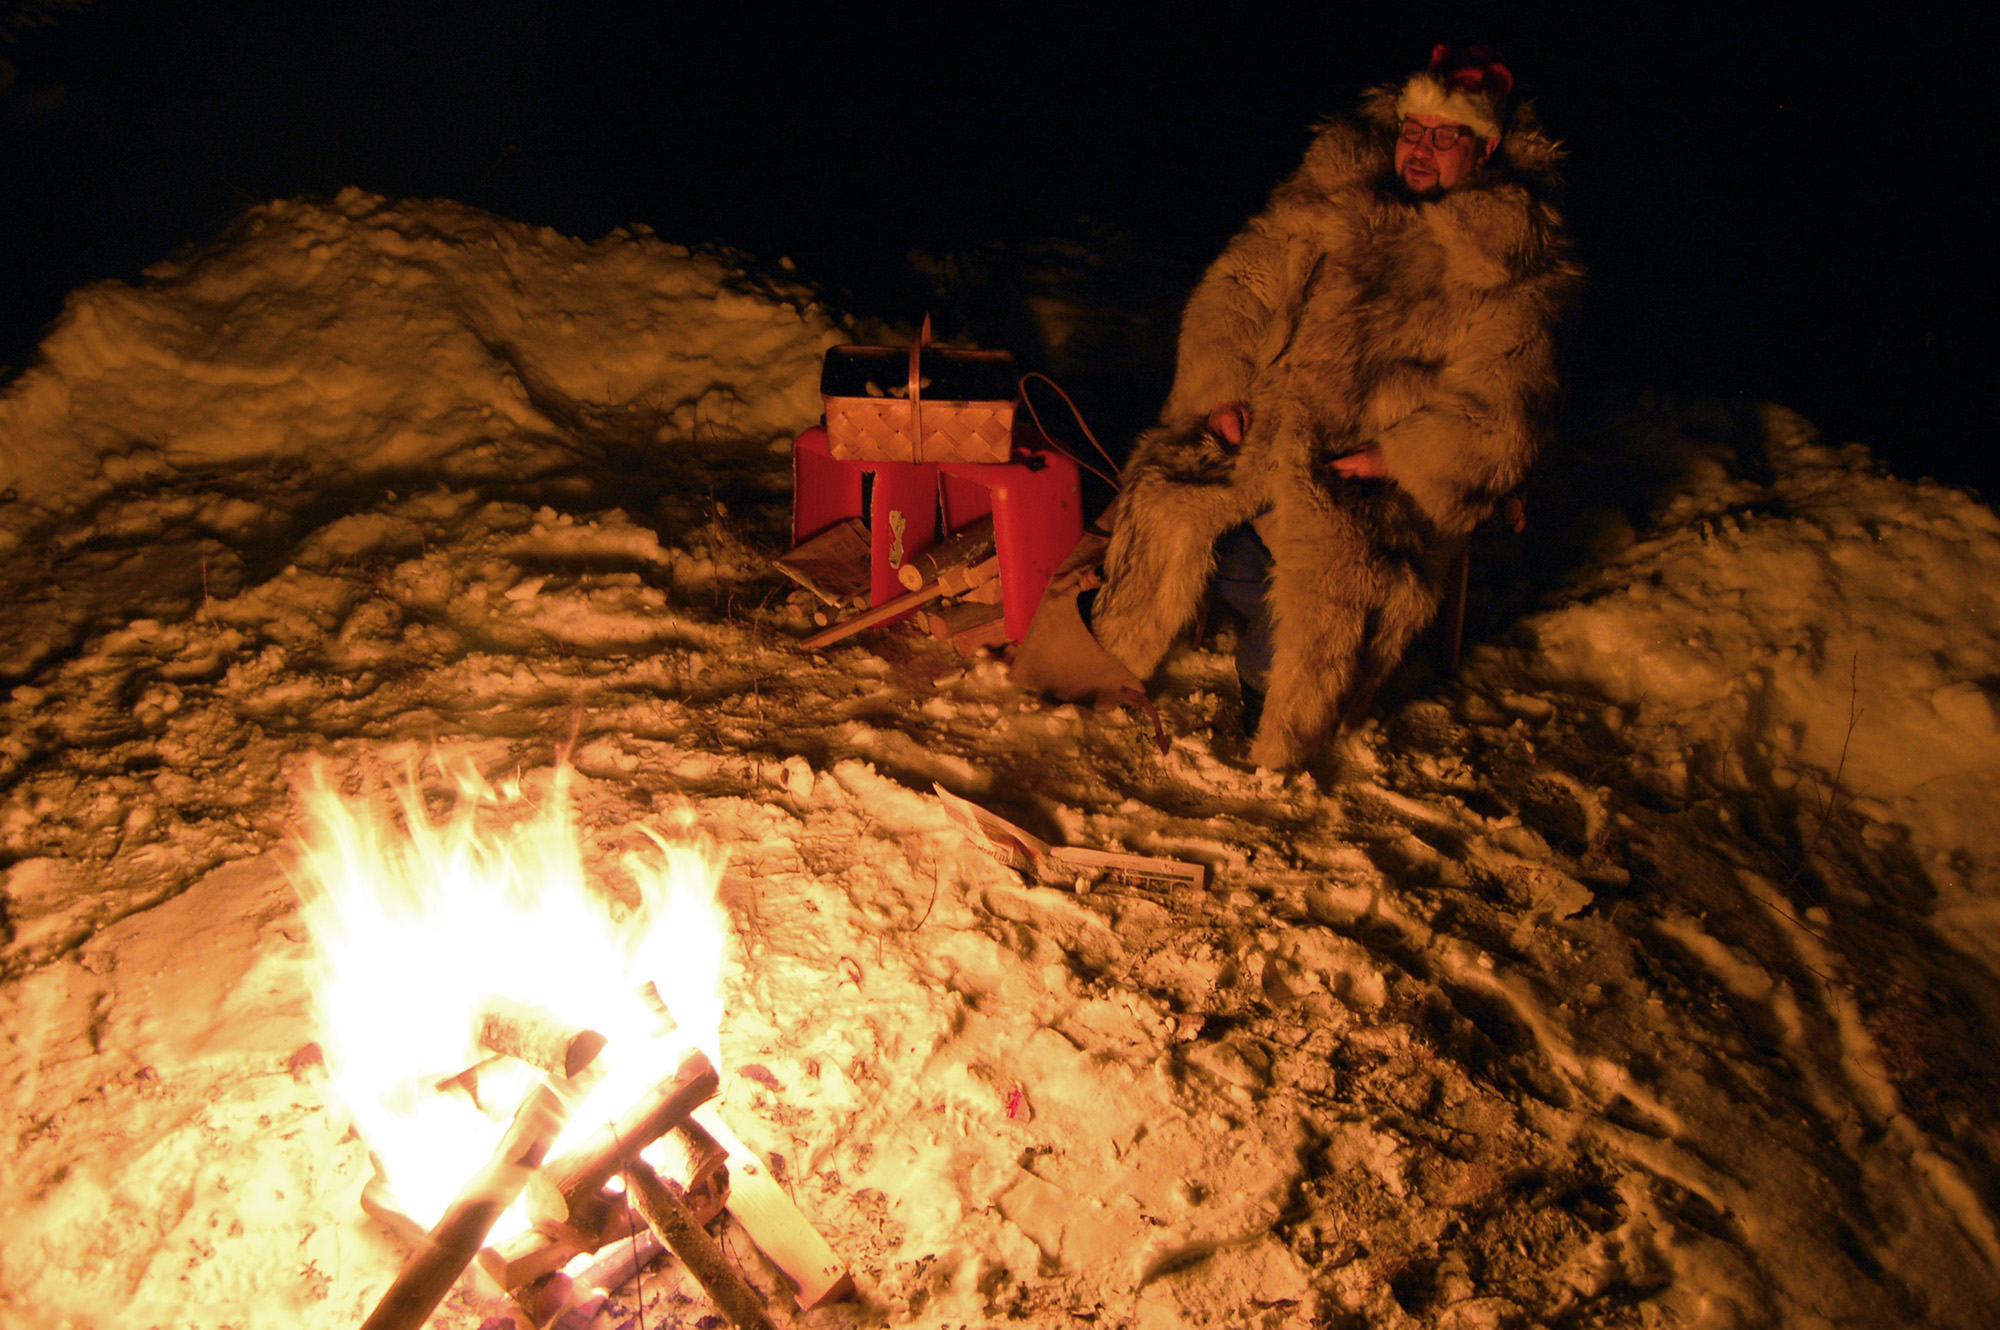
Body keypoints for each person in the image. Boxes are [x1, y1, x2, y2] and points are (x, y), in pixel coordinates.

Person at [1087, 45, 1581, 769]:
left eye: (1447, 138)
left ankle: (1272, 710)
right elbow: (1243, 285)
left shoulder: (1508, 263)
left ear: (1487, 148)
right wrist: (1223, 388)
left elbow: (1503, 412)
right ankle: (1114, 662)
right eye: (1415, 131)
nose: (1423, 150)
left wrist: (1399, 458)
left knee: (1329, 580)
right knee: (1169, 500)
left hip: (1369, 475)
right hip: (1270, 429)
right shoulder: (1335, 199)